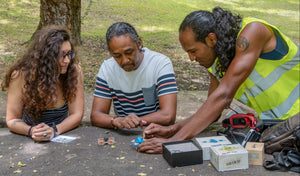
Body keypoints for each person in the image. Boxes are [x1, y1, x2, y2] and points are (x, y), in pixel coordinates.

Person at [137, 7, 299, 153]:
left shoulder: (253, 32)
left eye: (193, 51)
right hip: (282, 128)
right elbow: (212, 110)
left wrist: (173, 142)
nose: (191, 59)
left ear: (211, 39)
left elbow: (223, 96)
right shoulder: (218, 61)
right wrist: (173, 129)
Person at [1, 25, 84, 142]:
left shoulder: (74, 71)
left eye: (69, 53)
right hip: (30, 137)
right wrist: (31, 131)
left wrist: (54, 130)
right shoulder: (20, 75)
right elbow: (12, 119)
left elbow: (76, 114)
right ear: (46, 57)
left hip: (61, 134)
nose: (67, 60)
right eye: (62, 55)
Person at [90, 22, 178, 130]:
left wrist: (135, 121)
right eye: (117, 56)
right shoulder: (107, 68)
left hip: (156, 132)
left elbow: (168, 115)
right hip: (124, 133)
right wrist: (116, 121)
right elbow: (96, 115)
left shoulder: (160, 64)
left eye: (129, 52)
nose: (125, 60)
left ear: (139, 43)